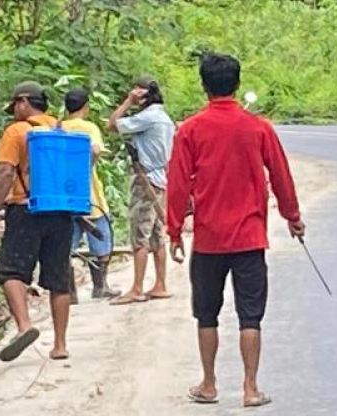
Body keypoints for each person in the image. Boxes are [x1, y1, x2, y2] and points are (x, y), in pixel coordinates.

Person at [166, 53, 305, 409]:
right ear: (237, 83)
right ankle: (250, 388)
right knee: (250, 315)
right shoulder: (258, 128)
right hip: (249, 239)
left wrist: (174, 230)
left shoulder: (190, 130)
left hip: (209, 240)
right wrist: (293, 217)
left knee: (207, 313)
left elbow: (178, 184)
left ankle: (210, 384)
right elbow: (280, 176)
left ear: (204, 85)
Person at [0, 82, 73, 362]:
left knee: (10, 272)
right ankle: (60, 345)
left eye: (15, 106)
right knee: (59, 279)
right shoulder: (61, 130)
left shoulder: (17, 131)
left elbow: (6, 173)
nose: (13, 113)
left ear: (23, 102)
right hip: (61, 211)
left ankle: (24, 326)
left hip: (25, 210)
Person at [107, 76, 176, 305]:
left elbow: (112, 124)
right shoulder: (164, 118)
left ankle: (137, 287)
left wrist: (127, 101)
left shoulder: (147, 117)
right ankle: (160, 283)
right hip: (161, 179)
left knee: (140, 233)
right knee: (157, 234)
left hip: (146, 180)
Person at [60, 87, 120, 303]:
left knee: (66, 245)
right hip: (89, 193)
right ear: (86, 106)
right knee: (102, 236)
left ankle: (70, 292)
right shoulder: (89, 127)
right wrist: (87, 165)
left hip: (64, 194)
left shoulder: (59, 127)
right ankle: (100, 286)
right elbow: (95, 150)